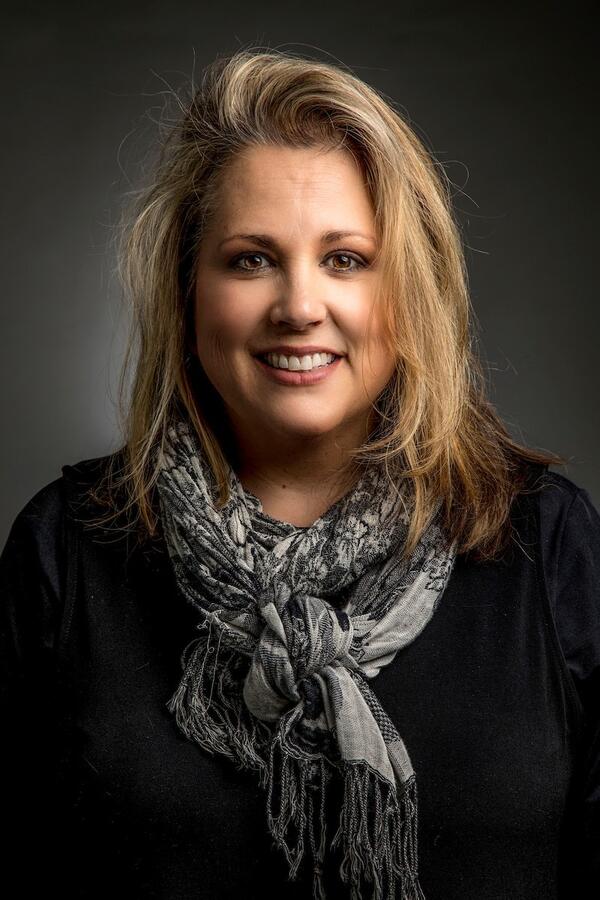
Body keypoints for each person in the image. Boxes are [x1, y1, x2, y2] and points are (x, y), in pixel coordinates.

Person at [1, 48, 598, 900]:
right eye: (251, 259)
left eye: (346, 259)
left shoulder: (550, 545)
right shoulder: (65, 551)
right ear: (188, 292)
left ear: (409, 290)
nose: (300, 306)